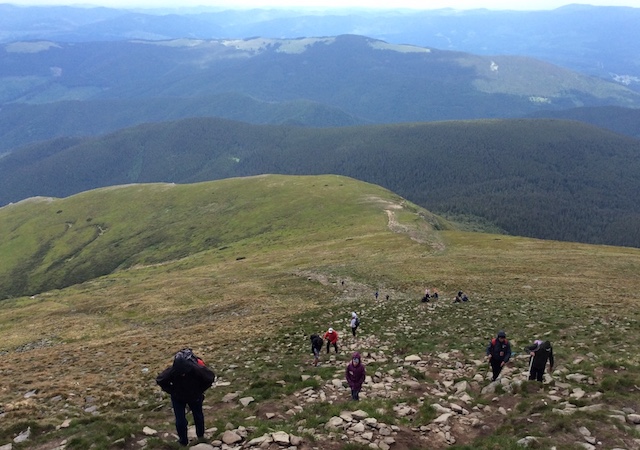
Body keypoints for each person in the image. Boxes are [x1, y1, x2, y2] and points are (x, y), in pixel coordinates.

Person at [156, 348, 215, 447]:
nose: (182, 374)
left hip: (194, 396)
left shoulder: (196, 369)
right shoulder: (172, 371)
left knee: (198, 416)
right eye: (180, 373)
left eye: (184, 373)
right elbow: (160, 380)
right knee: (180, 420)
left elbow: (210, 378)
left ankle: (200, 437)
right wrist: (172, 391)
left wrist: (199, 391)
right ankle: (183, 441)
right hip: (178, 398)